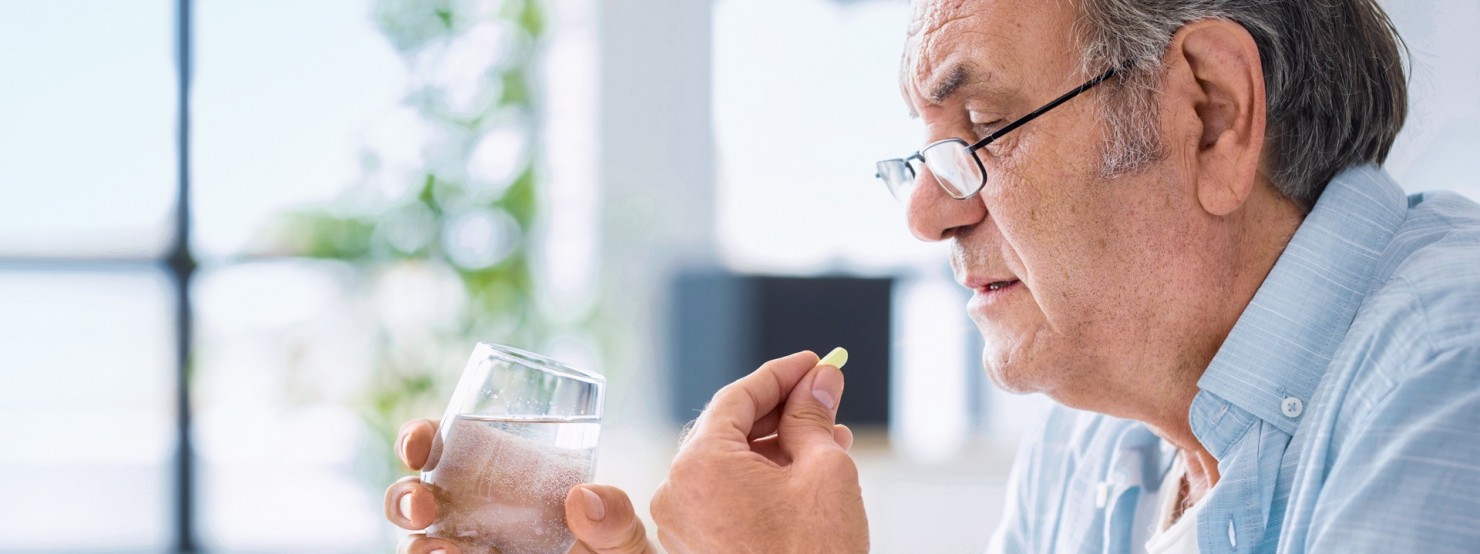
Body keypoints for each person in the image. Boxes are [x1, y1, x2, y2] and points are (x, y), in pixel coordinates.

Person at [385, 0, 1480, 552]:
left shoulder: (1454, 377)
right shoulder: (1094, 433)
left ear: (1209, 110)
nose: (924, 209)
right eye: (926, 149)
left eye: (986, 127)